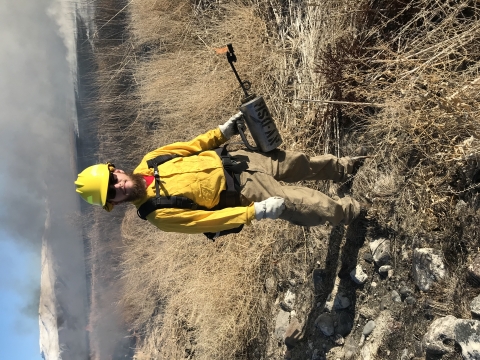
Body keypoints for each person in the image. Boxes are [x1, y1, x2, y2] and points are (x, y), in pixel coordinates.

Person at [74, 113, 368, 237]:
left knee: (300, 164)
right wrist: (257, 212)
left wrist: (222, 132)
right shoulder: (156, 214)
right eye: (111, 193)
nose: (119, 186)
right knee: (306, 204)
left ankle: (344, 168)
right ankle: (353, 211)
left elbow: (191, 146)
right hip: (244, 192)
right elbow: (208, 221)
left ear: (117, 170)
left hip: (240, 160)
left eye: (113, 180)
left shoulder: (151, 160)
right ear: (113, 204)